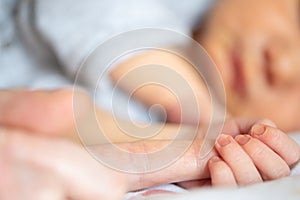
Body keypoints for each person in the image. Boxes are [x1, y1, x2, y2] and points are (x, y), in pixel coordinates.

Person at [0, 0, 299, 199]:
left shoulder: (225, 162)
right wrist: (190, 101)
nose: (283, 64)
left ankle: (97, 140)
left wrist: (195, 163)